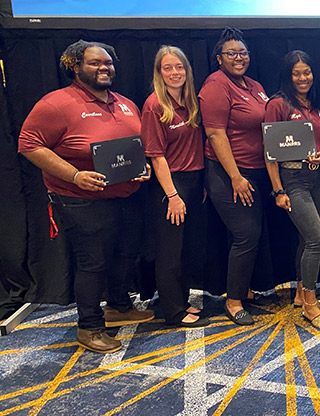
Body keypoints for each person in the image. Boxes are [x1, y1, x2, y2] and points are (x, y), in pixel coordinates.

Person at [18, 40, 154, 353]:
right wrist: (75, 175)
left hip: (126, 194)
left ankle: (119, 307)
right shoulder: (56, 103)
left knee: (126, 253)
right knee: (93, 263)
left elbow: (134, 145)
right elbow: (29, 145)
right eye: (95, 63)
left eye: (108, 63)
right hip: (79, 198)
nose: (104, 68)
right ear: (75, 66)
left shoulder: (124, 103)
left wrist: (142, 165)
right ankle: (89, 327)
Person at [199, 27, 271, 326]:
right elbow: (215, 134)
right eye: (232, 53)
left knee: (245, 236)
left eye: (243, 53)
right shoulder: (216, 85)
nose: (238, 58)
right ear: (219, 59)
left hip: (256, 171)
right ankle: (233, 301)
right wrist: (236, 177)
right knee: (246, 235)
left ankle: (245, 289)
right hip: (228, 173)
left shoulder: (253, 85)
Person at [263, 50, 320, 328]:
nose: (303, 78)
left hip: (317, 178)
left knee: (307, 239)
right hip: (292, 180)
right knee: (317, 239)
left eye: (307, 72)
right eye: (297, 73)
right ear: (288, 75)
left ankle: (302, 296)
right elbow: (270, 153)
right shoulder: (277, 104)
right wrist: (278, 191)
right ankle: (311, 307)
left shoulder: (317, 104)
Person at [141, 46, 209, 327]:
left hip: (194, 181)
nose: (174, 73)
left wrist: (200, 184)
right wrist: (172, 195)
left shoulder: (191, 102)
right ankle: (173, 311)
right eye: (167, 68)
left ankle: (182, 301)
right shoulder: (154, 106)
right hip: (170, 185)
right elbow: (156, 156)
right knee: (169, 251)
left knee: (185, 249)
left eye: (179, 67)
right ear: (159, 73)